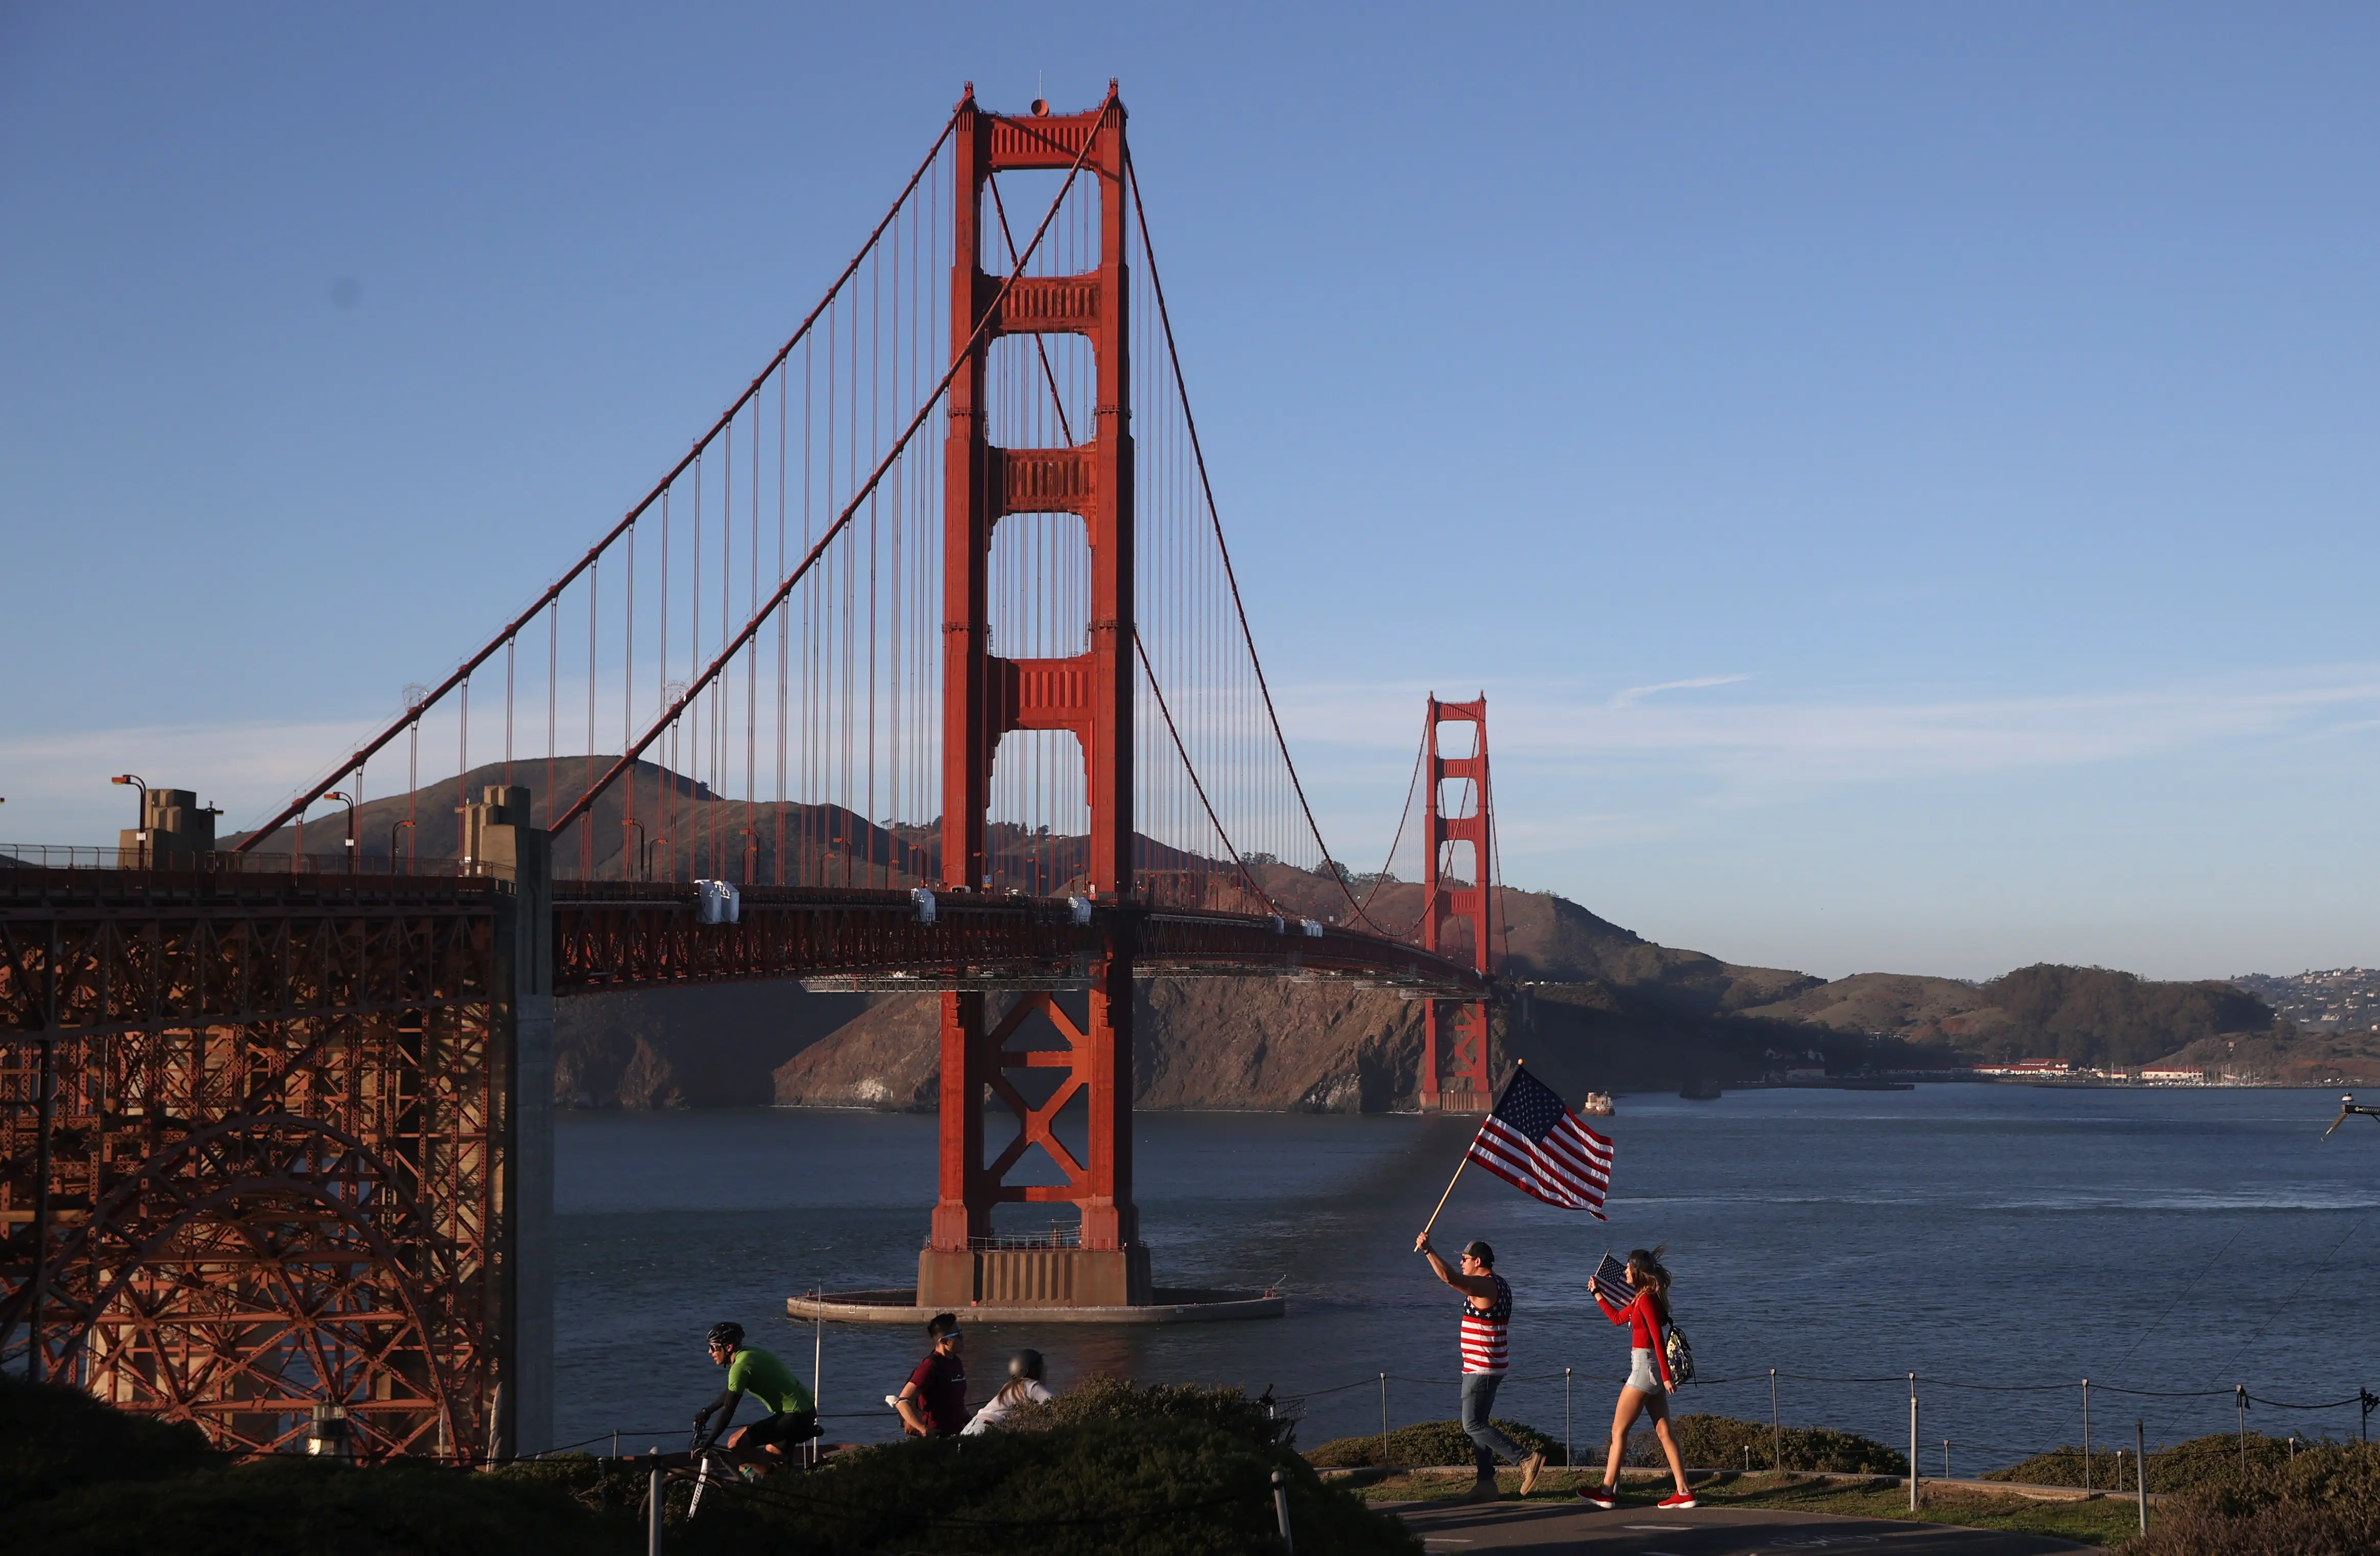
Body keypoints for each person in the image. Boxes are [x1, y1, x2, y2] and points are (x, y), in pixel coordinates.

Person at [1416, 1233, 1546, 1502]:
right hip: (1489, 1366)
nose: (1461, 1262)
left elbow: (1451, 1279)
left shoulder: (1486, 1286)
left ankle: (1525, 1460)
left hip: (1482, 1368)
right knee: (1480, 1425)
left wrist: (1429, 1251)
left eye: (1464, 1259)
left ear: (1477, 1261)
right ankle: (1486, 1483)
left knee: (1472, 1424)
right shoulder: (1501, 1284)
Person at [1578, 1247, 1695, 1511]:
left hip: (1645, 1370)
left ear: (1637, 1272)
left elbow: (1657, 1338)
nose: (1624, 1272)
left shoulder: (1645, 1300)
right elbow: (1618, 1319)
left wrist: (1666, 1377)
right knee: (1665, 1432)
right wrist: (1598, 1293)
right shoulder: (1645, 1297)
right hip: (1651, 1372)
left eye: (1627, 1269)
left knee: (1618, 1431)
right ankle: (1684, 1492)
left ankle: (1607, 1491)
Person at [691, 1322, 817, 1468]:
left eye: (713, 1348)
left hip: (794, 1415)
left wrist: (707, 1444)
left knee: (735, 1443)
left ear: (728, 1347)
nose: (710, 1352)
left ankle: (773, 1477)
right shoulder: (749, 1354)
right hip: (804, 1412)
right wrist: (708, 1412)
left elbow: (728, 1411)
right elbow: (731, 1391)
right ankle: (786, 1481)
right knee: (771, 1453)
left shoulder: (739, 1367)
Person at [891, 1312, 969, 1436]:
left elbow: (957, 1400)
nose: (963, 1338)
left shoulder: (956, 1362)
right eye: (958, 1335)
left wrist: (970, 1419)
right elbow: (903, 1401)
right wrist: (923, 1429)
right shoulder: (930, 1366)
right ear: (945, 1341)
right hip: (937, 1440)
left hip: (957, 1436)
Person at [961, 1349, 1054, 1435]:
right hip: (989, 1429)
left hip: (972, 1427)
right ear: (1035, 1371)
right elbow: (1060, 1405)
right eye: (1042, 1367)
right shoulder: (1031, 1386)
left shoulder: (1009, 1387)